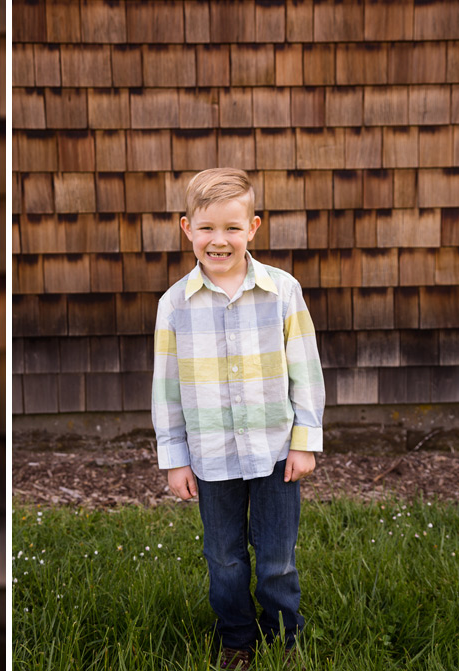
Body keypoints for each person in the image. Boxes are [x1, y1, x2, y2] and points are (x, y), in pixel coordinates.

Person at [152, 168, 324, 669]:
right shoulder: (174, 306)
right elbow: (166, 389)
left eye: (232, 227)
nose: (218, 240)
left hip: (275, 452)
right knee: (224, 558)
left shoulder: (283, 292)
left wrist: (304, 440)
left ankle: (283, 638)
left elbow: (306, 370)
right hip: (211, 456)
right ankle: (237, 639)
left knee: (277, 559)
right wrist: (174, 458)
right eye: (206, 228)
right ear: (187, 229)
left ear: (254, 227)